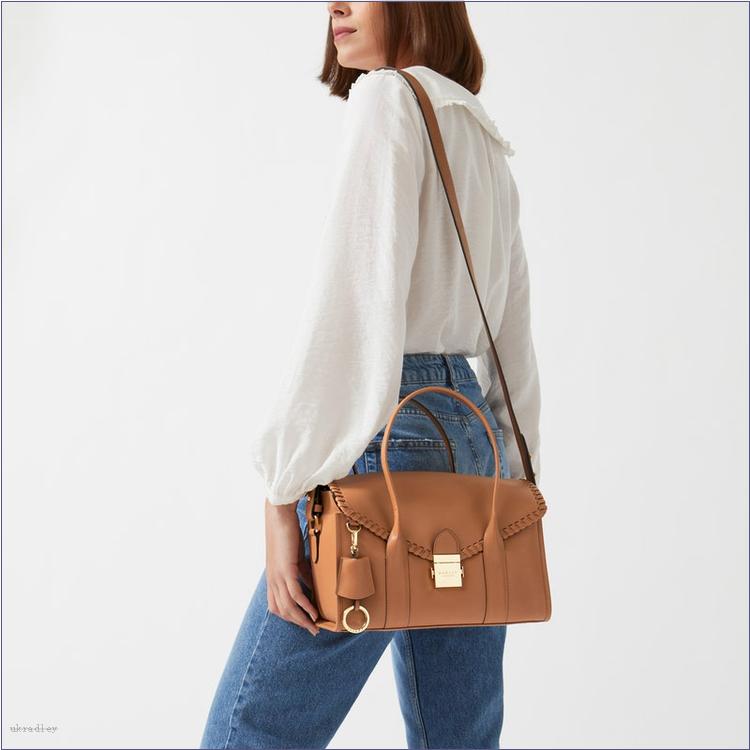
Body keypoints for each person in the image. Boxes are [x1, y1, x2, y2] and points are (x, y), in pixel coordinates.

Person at [200, 2, 541, 748]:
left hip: (387, 426)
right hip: (473, 438)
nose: (336, 6)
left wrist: (282, 494)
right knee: (460, 738)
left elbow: (351, 310)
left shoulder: (387, 99)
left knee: (252, 730)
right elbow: (512, 328)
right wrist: (518, 480)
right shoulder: (481, 131)